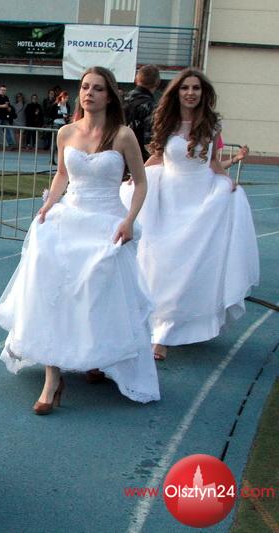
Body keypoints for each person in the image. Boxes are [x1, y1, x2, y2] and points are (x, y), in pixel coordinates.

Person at [0, 66, 160, 414]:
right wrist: (49, 203)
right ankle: (52, 379)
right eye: (85, 87)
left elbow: (141, 182)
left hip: (107, 223)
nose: (89, 93)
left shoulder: (123, 135)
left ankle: (94, 357)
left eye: (97, 88)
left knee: (95, 296)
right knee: (52, 292)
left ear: (109, 96)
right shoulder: (66, 132)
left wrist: (129, 220)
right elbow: (62, 175)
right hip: (68, 219)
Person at [121, 68, 259, 361]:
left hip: (201, 202)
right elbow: (158, 155)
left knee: (190, 268)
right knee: (163, 265)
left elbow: (212, 162)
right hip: (168, 201)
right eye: (185, 88)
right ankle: (157, 324)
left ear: (203, 93)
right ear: (177, 92)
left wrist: (227, 182)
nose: (191, 93)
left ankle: (166, 333)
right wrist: (137, 175)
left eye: (196, 88)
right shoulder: (166, 120)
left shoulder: (211, 123)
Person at [124, 64, 161, 162]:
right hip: (139, 161)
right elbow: (149, 142)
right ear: (157, 82)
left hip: (116, 157)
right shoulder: (151, 107)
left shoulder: (121, 100)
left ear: (136, 79)